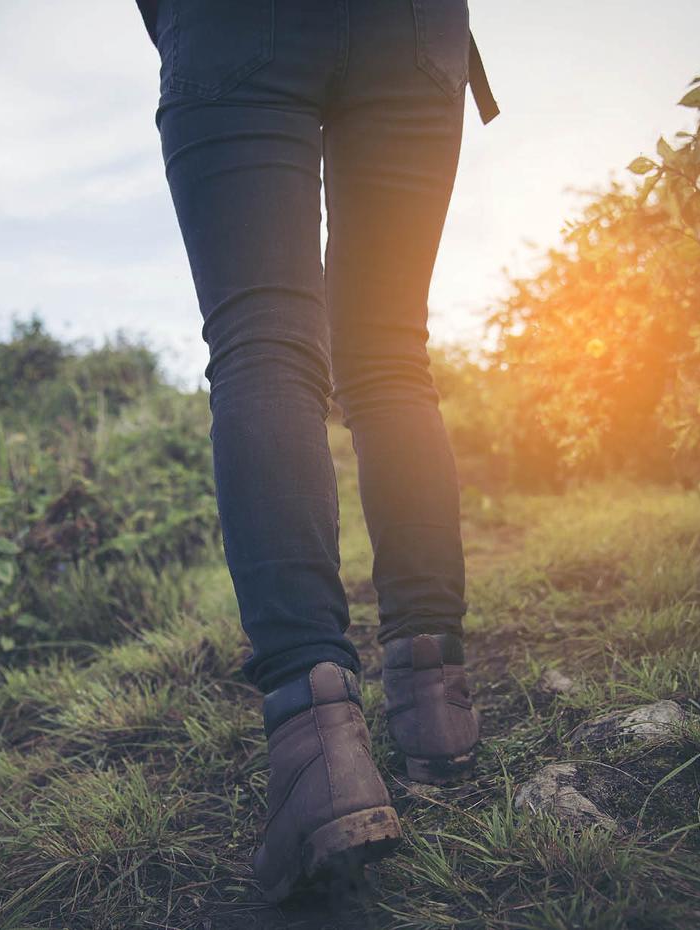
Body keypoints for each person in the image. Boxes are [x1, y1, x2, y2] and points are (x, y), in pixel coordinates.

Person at [134, 0, 498, 903]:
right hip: (411, 33)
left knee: (263, 344)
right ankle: (433, 700)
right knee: (389, 357)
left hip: (231, 31)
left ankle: (316, 739)